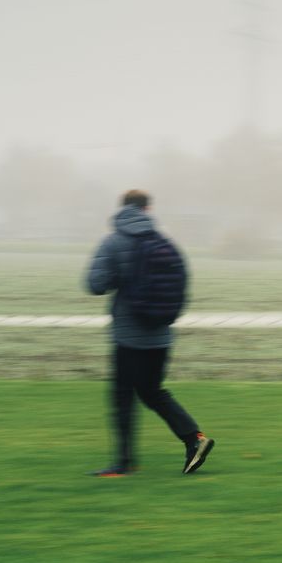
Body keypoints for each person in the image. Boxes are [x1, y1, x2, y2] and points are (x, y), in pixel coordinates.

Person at [84, 190, 213, 477]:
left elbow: (94, 284)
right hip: (161, 335)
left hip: (128, 336)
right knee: (152, 391)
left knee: (122, 397)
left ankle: (124, 462)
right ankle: (195, 439)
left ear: (122, 209)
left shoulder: (114, 241)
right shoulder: (164, 241)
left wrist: (118, 276)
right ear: (147, 209)